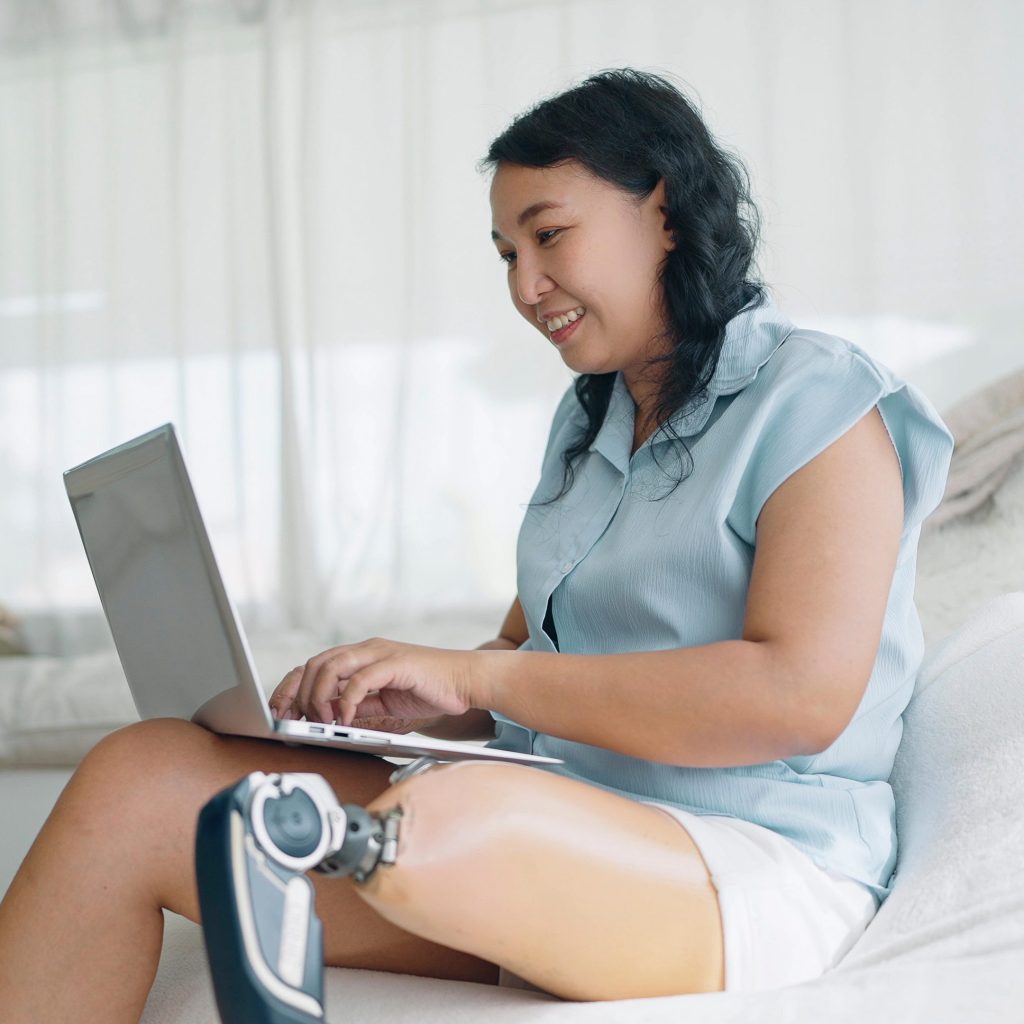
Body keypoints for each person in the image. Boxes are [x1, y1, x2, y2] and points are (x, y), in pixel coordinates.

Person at [0, 67, 953, 1019]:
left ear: (662, 210)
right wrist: (415, 702)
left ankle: (309, 879)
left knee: (445, 818)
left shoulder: (817, 400)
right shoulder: (590, 428)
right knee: (144, 777)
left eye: (548, 235)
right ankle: (314, 859)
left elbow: (799, 696)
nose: (526, 286)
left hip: (748, 862)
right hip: (546, 823)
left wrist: (479, 682)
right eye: (505, 253)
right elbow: (522, 663)